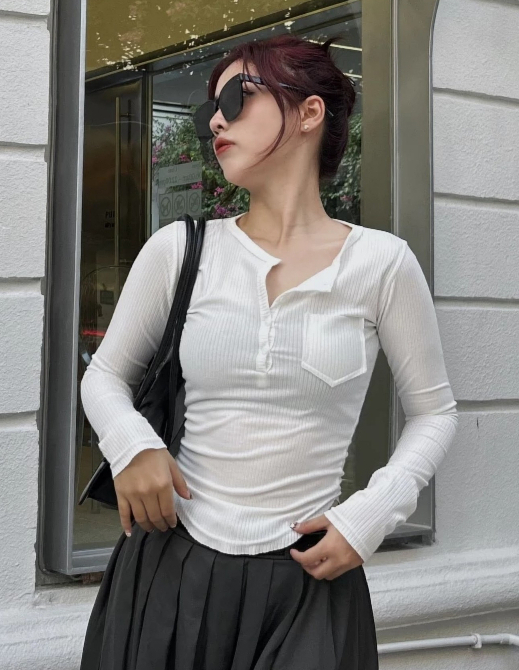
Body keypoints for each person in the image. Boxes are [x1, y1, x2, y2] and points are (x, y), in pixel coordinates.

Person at [78, 34, 459, 670]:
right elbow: (106, 375)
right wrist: (132, 444)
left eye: (237, 98)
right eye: (208, 111)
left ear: (309, 112)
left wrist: (371, 513)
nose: (216, 121)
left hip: (307, 577)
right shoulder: (179, 250)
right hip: (170, 572)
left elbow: (435, 412)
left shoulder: (382, 264)